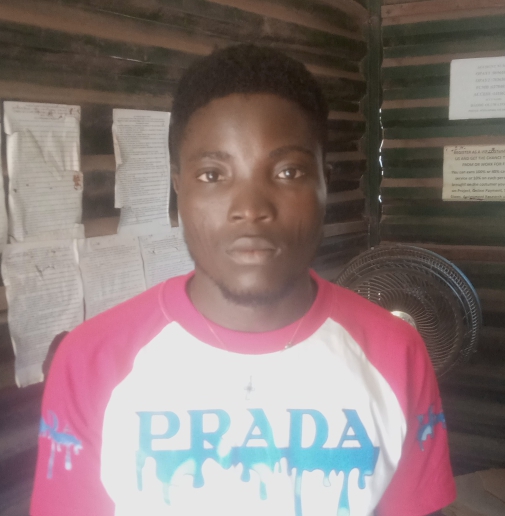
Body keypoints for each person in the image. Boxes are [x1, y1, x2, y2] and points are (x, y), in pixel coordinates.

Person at [30, 44, 455, 516]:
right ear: (178, 187)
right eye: (213, 175)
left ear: (324, 182)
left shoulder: (396, 353)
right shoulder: (91, 361)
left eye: (288, 171)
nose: (251, 208)